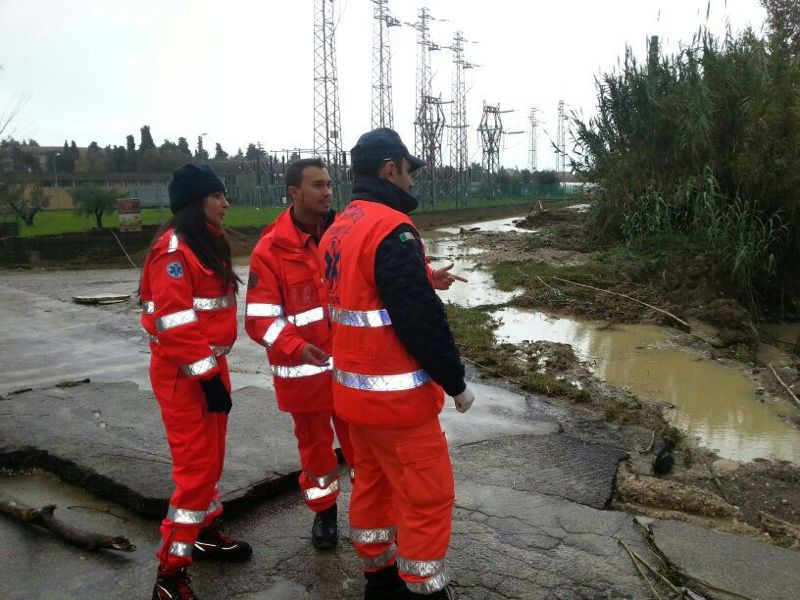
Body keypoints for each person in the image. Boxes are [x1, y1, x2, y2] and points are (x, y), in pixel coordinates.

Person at [319, 128, 475, 599]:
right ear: (391, 169)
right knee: (427, 497)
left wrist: (424, 275)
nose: (411, 182)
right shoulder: (393, 228)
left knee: (372, 486)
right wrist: (456, 382)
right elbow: (419, 319)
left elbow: (363, 289)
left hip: (352, 397)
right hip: (397, 404)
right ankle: (425, 589)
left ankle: (379, 580)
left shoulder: (338, 229)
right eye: (409, 171)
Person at [141, 163, 252, 600]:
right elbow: (174, 323)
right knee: (195, 474)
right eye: (217, 195)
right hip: (183, 376)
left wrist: (212, 374)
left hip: (207, 369)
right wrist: (206, 378)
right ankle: (170, 574)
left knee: (212, 462)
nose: (226, 203)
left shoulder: (207, 243)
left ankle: (205, 534)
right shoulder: (173, 251)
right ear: (194, 200)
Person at [245, 158, 354, 549]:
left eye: (329, 184)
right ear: (294, 192)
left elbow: (381, 279)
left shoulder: (347, 234)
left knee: (363, 446)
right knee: (316, 452)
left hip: (351, 369)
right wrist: (295, 345)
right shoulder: (270, 249)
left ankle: (373, 512)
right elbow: (259, 319)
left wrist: (428, 277)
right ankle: (325, 514)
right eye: (317, 185)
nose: (327, 191)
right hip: (304, 374)